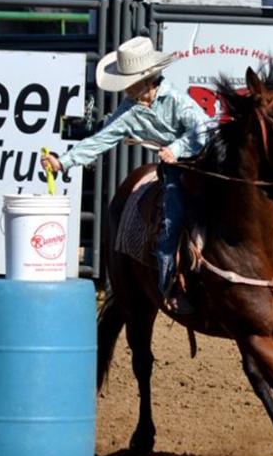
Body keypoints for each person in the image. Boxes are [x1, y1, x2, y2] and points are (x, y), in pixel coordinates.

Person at [41, 36, 214, 314]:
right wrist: (63, 162)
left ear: (149, 80)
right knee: (170, 224)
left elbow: (204, 130)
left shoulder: (177, 100)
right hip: (175, 173)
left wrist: (176, 147)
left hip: (205, 166)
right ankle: (170, 287)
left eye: (130, 83)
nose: (126, 90)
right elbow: (100, 140)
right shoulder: (128, 111)